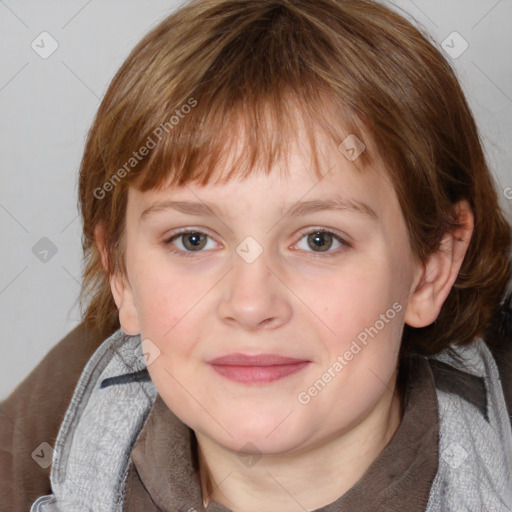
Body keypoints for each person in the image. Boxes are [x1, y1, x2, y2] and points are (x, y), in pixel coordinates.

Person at [1, 0, 512, 510]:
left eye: (319, 240)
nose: (250, 304)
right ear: (122, 276)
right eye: (193, 239)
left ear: (431, 270)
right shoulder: (31, 451)